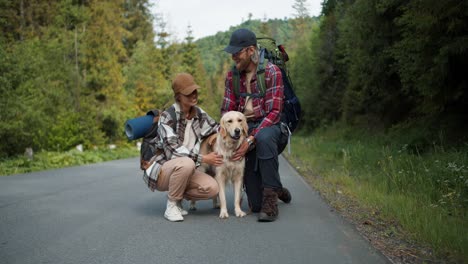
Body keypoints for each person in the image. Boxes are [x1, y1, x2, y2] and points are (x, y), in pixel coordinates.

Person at [221, 28, 292, 222]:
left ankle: (271, 202)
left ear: (251, 50)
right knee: (255, 204)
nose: (233, 56)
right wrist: (226, 137)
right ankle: (275, 188)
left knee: (263, 136)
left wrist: (250, 140)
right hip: (244, 129)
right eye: (232, 52)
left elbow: (274, 113)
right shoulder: (232, 77)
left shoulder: (271, 72)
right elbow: (226, 111)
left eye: (237, 52)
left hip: (272, 127)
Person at [145, 72, 223, 222]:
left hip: (188, 168)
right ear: (178, 96)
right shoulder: (168, 117)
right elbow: (175, 152)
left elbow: (217, 128)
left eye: (195, 91)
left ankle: (179, 195)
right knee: (186, 162)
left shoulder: (199, 114)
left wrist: (232, 133)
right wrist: (205, 158)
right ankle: (172, 204)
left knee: (213, 188)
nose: (194, 95)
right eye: (188, 93)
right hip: (163, 170)